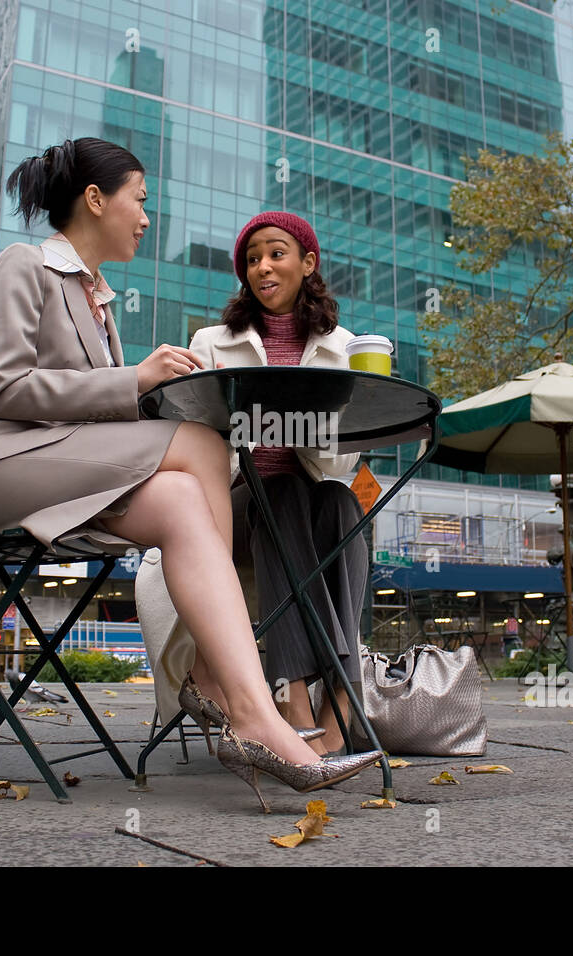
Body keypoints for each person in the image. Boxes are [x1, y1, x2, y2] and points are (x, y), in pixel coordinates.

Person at [0, 138, 380, 810]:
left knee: (178, 496)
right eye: (139, 201)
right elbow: (7, 388)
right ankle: (237, 695)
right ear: (94, 199)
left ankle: (240, 704)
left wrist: (140, 391)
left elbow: (106, 421)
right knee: (199, 445)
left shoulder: (100, 303)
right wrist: (134, 380)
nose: (145, 218)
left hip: (67, 480)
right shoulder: (24, 265)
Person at [136, 212, 368, 757]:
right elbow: (190, 434)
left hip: (306, 512)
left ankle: (341, 689)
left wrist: (302, 421)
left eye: (276, 253)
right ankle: (295, 704)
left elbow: (339, 463)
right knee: (278, 490)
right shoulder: (213, 341)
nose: (263, 267)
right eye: (253, 259)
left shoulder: (345, 347)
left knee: (341, 500)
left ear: (308, 263)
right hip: (228, 512)